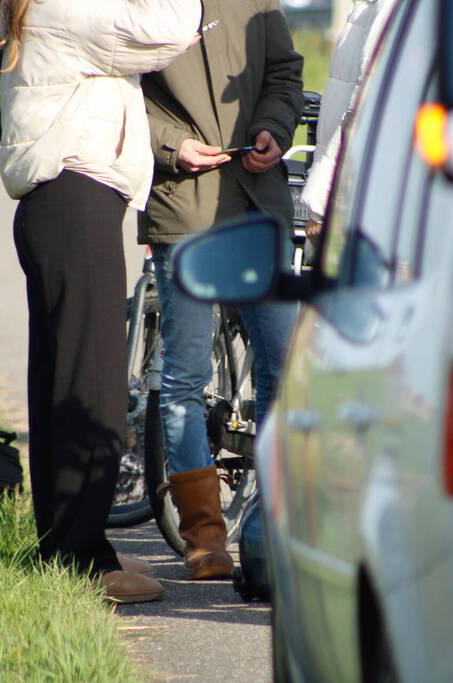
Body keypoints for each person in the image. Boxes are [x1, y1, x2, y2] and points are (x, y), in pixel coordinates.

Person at [0, 0, 201, 603]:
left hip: (60, 208)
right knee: (92, 391)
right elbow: (171, 29)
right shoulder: (67, 8)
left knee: (64, 384)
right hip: (75, 204)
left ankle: (67, 548)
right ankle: (82, 561)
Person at [139, 1, 304, 580]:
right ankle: (204, 535)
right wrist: (171, 146)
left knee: (286, 367)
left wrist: (274, 129)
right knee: (185, 375)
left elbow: (284, 70)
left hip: (258, 203)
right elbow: (116, 92)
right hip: (183, 204)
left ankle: (272, 527)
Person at [300, 0, 395, 242]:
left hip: (361, 201)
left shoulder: (385, 7)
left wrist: (322, 202)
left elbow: (363, 108)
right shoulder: (367, 7)